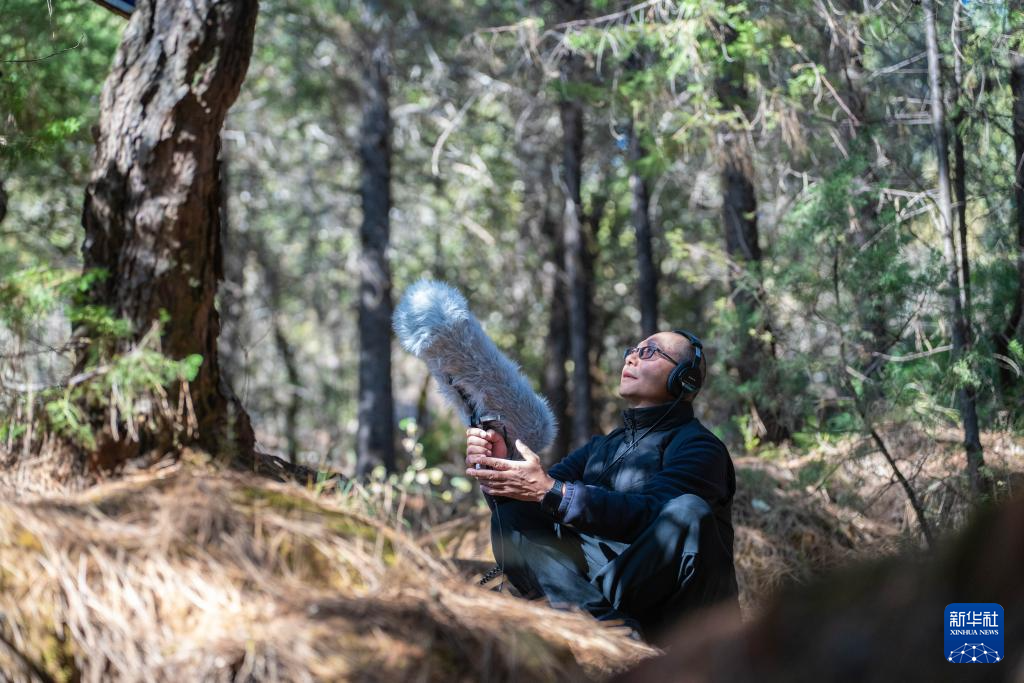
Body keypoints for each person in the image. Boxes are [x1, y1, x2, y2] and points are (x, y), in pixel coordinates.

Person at [465, 330, 738, 640]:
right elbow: (535, 496)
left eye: (649, 352)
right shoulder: (601, 447)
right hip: (603, 596)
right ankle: (604, 634)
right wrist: (499, 467)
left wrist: (552, 492)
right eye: (631, 350)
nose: (631, 358)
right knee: (513, 516)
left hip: (671, 609)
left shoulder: (700, 447)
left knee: (689, 512)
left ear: (684, 379)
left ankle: (605, 633)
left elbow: (652, 516)